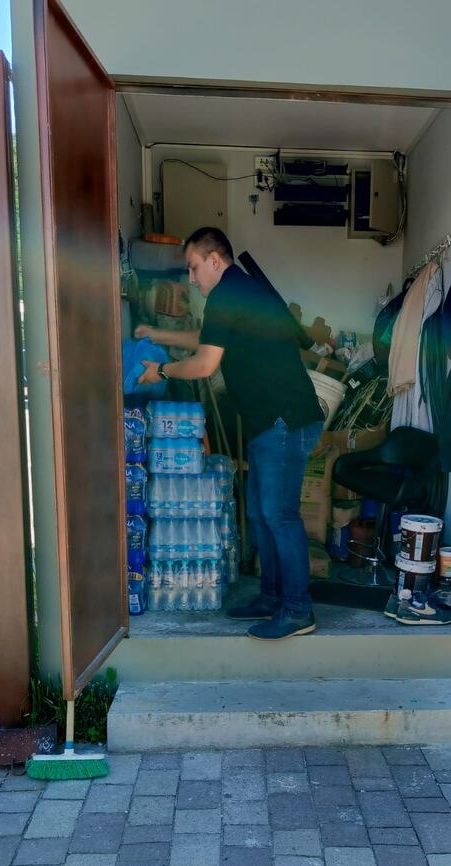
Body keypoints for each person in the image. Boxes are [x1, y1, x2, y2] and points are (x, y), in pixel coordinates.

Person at [136, 227, 324, 641]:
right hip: (270, 423)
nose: (191, 279)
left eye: (193, 267)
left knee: (278, 514)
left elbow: (204, 364)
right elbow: (208, 342)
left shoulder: (228, 294)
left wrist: (162, 370)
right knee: (260, 512)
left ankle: (297, 610)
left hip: (284, 421)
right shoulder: (238, 291)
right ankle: (273, 596)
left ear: (215, 260)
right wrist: (159, 335)